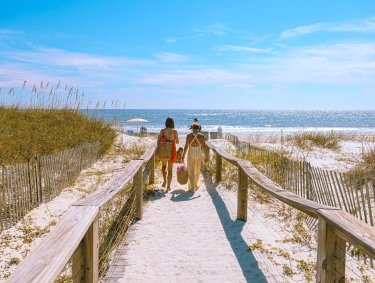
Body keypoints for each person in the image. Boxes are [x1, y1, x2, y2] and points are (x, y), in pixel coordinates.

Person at [182, 121, 206, 192]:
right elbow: (203, 146)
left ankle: (191, 188)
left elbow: (186, 147)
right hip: (198, 153)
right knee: (197, 170)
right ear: (199, 128)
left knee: (191, 170)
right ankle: (196, 185)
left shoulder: (189, 136)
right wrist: (204, 156)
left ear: (192, 128)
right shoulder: (202, 136)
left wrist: (183, 156)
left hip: (191, 153)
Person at [158, 117, 179, 191]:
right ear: (172, 123)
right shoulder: (175, 131)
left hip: (164, 151)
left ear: (166, 123)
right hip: (172, 151)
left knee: (164, 167)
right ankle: (168, 187)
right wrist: (170, 141)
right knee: (170, 170)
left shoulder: (162, 130)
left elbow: (158, 141)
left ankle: (164, 181)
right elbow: (177, 142)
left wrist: (165, 141)